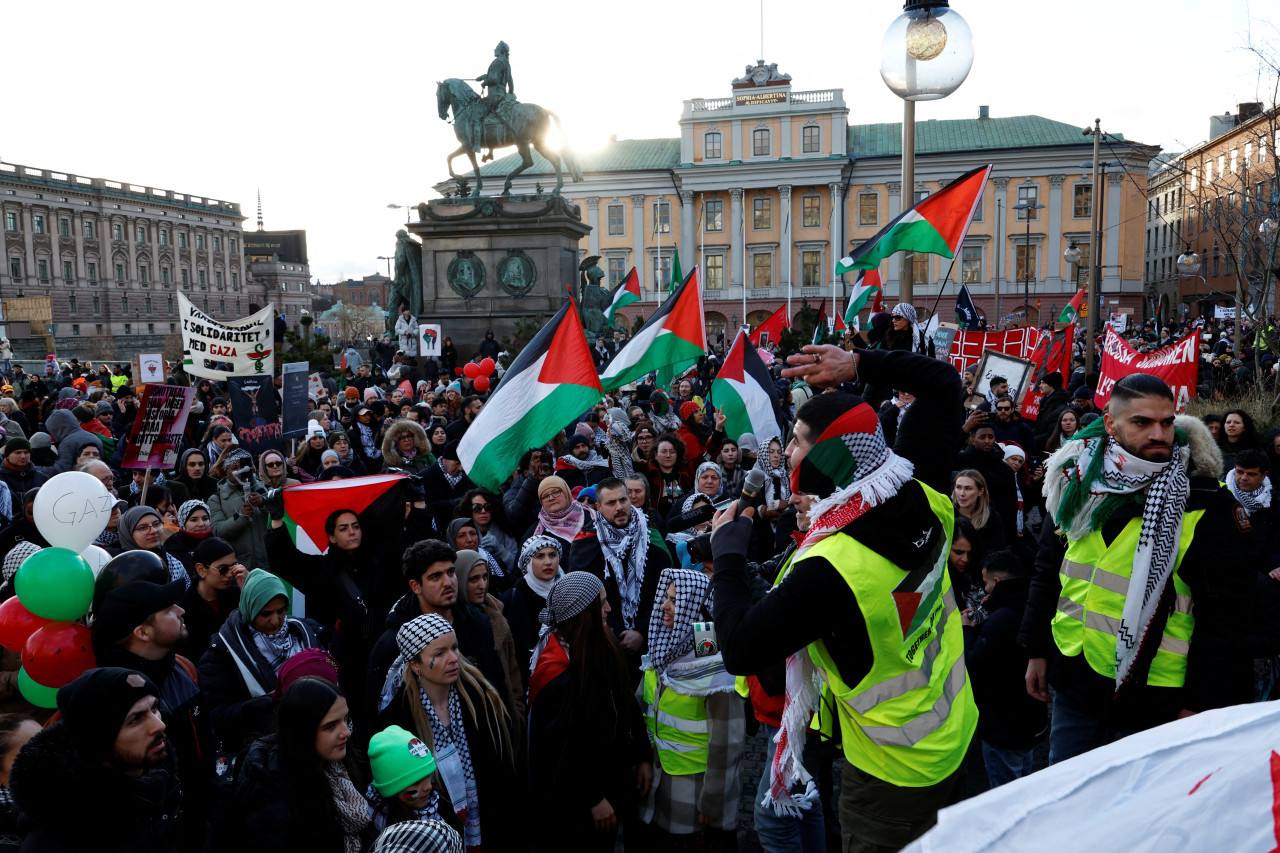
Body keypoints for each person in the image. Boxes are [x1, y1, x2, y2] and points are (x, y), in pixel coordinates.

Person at [711, 346, 976, 851]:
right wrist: (859, 365)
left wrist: (727, 556)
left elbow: (741, 648)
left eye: (795, 442)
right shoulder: (920, 488)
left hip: (891, 772)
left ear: (825, 460)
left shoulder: (832, 568)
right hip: (955, 731)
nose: (786, 453)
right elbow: (944, 385)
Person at [1020, 374, 1280, 765]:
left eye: (1167, 422)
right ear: (1111, 424)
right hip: (1077, 678)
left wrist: (1200, 701)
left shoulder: (1204, 502)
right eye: (1142, 422)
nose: (1159, 434)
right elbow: (1048, 572)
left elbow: (1228, 619)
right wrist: (1035, 648)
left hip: (1161, 694)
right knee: (1073, 808)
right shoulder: (1078, 482)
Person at [526, 573, 652, 852]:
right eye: (602, 604)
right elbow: (561, 750)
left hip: (614, 782)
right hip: (579, 808)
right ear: (583, 615)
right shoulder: (557, 673)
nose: (609, 610)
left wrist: (642, 754)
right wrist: (593, 798)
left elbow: (626, 704)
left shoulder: (605, 645)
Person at [375, 614, 520, 851]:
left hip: (492, 832)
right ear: (415, 664)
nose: (454, 659)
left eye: (455, 648)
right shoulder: (399, 720)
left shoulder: (481, 699)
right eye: (440, 654)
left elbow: (503, 778)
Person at [90, 581, 213, 851]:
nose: (181, 610)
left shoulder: (184, 667)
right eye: (168, 609)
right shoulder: (107, 698)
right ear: (143, 632)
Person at [9, 668, 182, 853]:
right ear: (97, 740)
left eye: (154, 708)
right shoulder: (54, 843)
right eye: (135, 719)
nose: (159, 724)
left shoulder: (161, 782)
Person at [639, 569, 744, 849]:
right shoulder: (662, 654)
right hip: (661, 788)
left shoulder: (715, 667)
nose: (665, 605)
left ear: (695, 609)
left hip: (696, 799)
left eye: (675, 600)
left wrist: (713, 801)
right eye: (666, 598)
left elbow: (728, 743)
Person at [367, 539, 510, 731]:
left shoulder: (477, 623)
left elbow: (496, 682)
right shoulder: (395, 642)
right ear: (416, 586)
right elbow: (380, 712)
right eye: (435, 576)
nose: (448, 582)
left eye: (450, 572)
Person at [228, 677, 373, 851]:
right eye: (330, 726)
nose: (346, 732)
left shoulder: (334, 765)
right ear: (303, 731)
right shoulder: (275, 800)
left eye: (345, 718)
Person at [199, 569, 326, 750]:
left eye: (281, 611)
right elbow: (216, 715)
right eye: (266, 614)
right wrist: (269, 704)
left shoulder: (307, 633)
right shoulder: (222, 654)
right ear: (250, 610)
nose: (275, 621)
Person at [569, 477, 671, 673]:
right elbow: (581, 596)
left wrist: (641, 632)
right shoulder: (586, 543)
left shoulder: (651, 538)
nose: (619, 507)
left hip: (652, 640)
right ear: (598, 507)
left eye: (623, 500)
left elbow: (665, 591)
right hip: (604, 643)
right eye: (611, 502)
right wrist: (615, 633)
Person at [963, 549, 1045, 789]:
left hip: (1003, 727)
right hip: (1028, 723)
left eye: (986, 583)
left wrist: (967, 629)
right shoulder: (1033, 606)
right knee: (1024, 777)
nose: (985, 590)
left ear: (997, 581)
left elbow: (974, 662)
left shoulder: (1001, 620)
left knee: (1005, 789)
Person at [454, 548, 525, 743]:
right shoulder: (453, 626)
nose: (482, 585)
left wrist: (517, 710)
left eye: (485, 577)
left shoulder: (497, 615)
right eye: (473, 579)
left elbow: (513, 670)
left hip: (508, 720)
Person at [365, 724, 457, 837]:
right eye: (416, 782)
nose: (428, 786)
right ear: (392, 790)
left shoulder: (439, 805)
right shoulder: (378, 834)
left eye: (428, 776)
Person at [500, 535, 564, 683]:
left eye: (552, 555)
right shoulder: (513, 598)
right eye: (539, 556)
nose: (548, 562)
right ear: (528, 562)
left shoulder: (568, 592)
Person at [177, 536, 246, 660]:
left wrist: (248, 590)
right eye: (223, 569)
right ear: (201, 570)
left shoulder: (238, 594)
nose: (230, 574)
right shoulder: (183, 608)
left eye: (234, 567)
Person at [208, 447, 272, 573]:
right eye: (235, 467)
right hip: (240, 567)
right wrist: (241, 517)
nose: (241, 471)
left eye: (244, 466)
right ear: (226, 471)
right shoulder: (217, 499)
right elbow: (217, 531)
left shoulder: (265, 491)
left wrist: (263, 503)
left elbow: (280, 517)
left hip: (268, 563)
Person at [952, 469, 1006, 552]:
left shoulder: (992, 518)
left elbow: (996, 550)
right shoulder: (946, 513)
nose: (962, 493)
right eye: (958, 487)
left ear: (980, 491)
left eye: (968, 489)